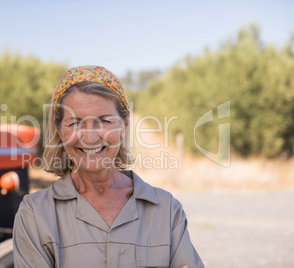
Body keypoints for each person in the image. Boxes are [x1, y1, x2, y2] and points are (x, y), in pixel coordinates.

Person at [13, 66, 205, 268]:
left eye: (104, 121)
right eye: (75, 123)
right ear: (60, 131)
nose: (90, 137)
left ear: (124, 127)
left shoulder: (166, 210)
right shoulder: (35, 215)